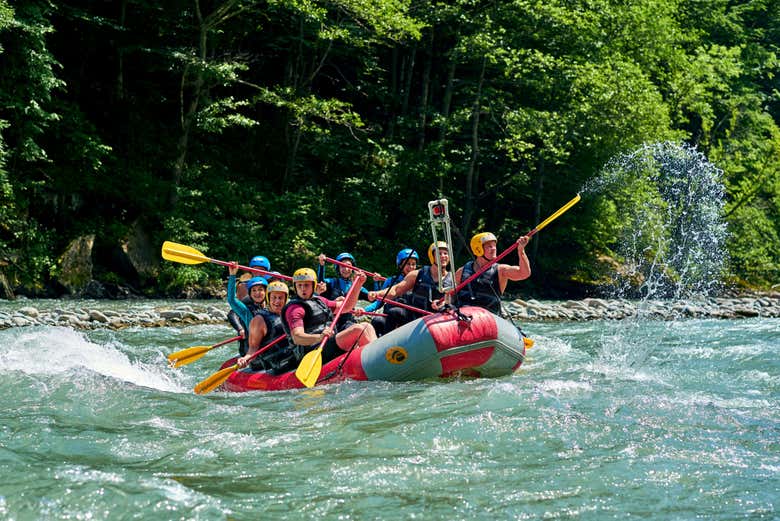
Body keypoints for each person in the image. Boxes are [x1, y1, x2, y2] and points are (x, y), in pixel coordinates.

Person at [282, 267, 377, 365]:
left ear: (313, 285)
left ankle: (378, 356)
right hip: (312, 350)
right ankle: (376, 361)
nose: (302, 289)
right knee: (358, 330)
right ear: (295, 286)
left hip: (328, 343)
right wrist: (319, 337)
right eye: (299, 285)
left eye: (306, 285)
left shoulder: (320, 301)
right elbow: (297, 338)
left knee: (366, 326)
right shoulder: (294, 309)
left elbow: (347, 307)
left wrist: (358, 284)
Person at [366, 242, 453, 328]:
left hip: (437, 320)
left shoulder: (453, 279)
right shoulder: (417, 274)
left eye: (445, 253)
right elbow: (396, 290)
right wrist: (377, 294)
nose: (443, 256)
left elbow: (454, 300)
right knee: (394, 312)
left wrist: (444, 303)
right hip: (414, 318)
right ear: (432, 256)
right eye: (439, 253)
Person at [455, 232, 531, 315]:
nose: (494, 248)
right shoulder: (462, 271)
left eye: (494, 246)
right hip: (464, 315)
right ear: (478, 249)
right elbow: (450, 294)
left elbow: (524, 273)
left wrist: (521, 251)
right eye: (489, 246)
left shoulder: (501, 270)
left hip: (489, 317)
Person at [236, 280, 294, 373]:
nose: (277, 301)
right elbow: (253, 348)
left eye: (280, 298)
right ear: (268, 298)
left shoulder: (289, 313)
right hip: (272, 363)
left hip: (289, 356)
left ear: (286, 299)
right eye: (273, 297)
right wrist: (246, 358)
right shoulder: (259, 320)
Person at [360, 248, 419, 336]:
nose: (411, 267)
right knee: (377, 320)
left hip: (407, 318)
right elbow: (379, 302)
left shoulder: (419, 282)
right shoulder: (390, 281)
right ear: (400, 265)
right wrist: (364, 310)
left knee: (395, 312)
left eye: (413, 264)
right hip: (389, 317)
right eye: (407, 264)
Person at [227, 264, 268, 356]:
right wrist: (232, 275)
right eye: (254, 290)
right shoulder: (247, 312)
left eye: (260, 290)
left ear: (266, 292)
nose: (257, 293)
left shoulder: (273, 307)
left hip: (271, 348)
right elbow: (231, 300)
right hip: (256, 352)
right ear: (250, 293)